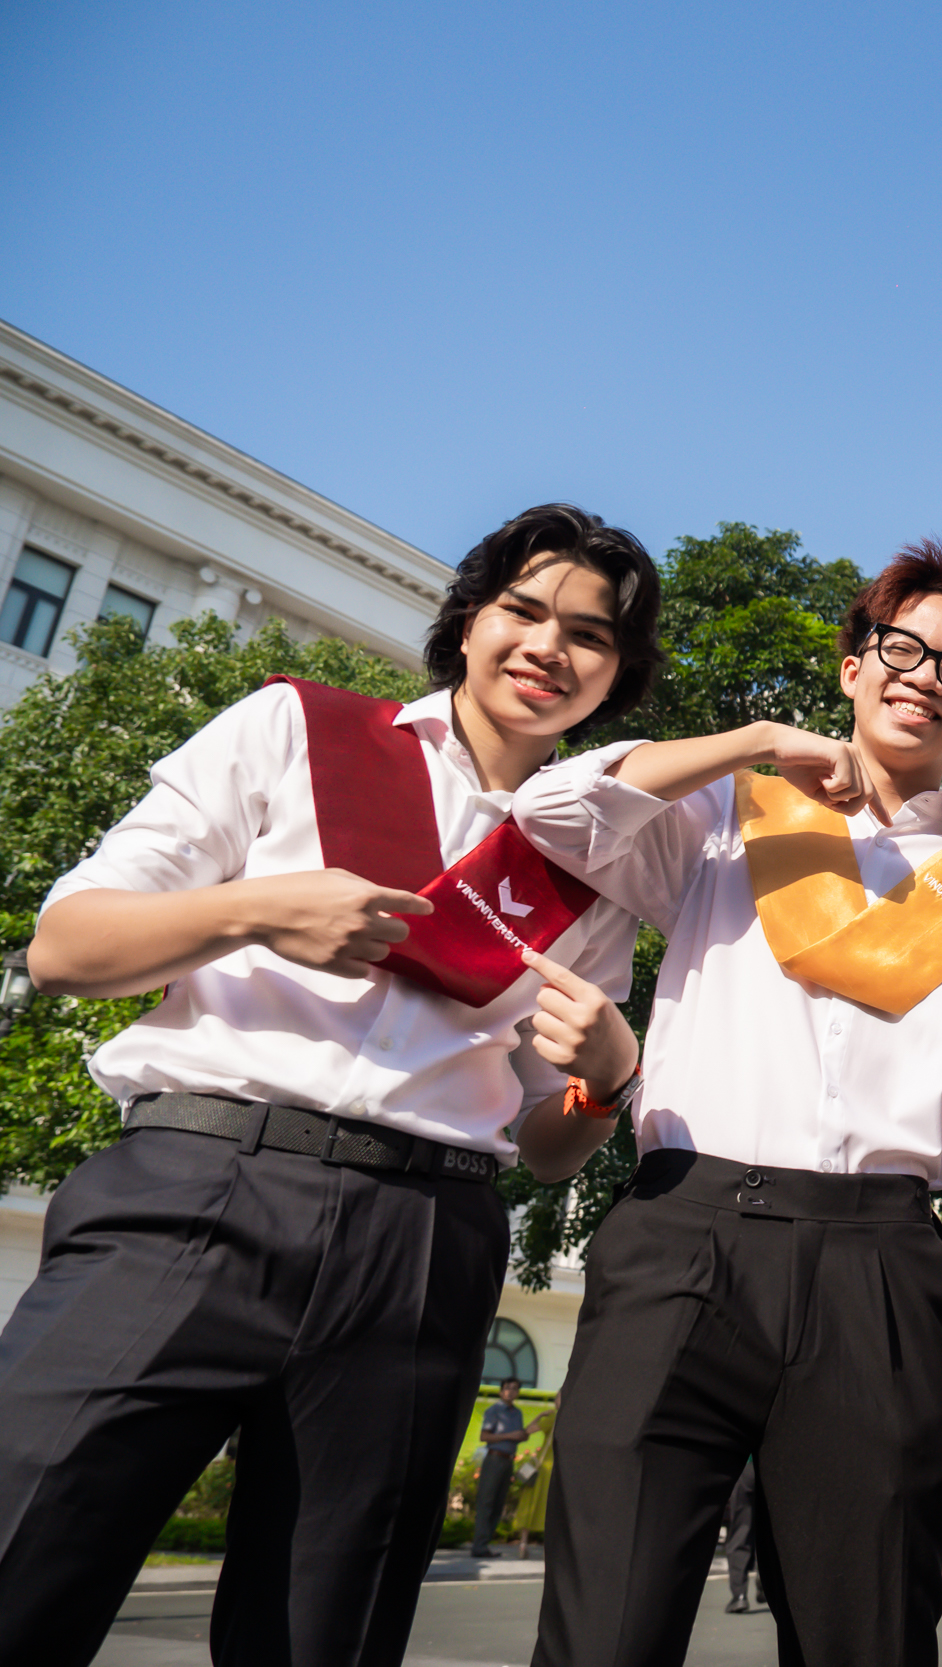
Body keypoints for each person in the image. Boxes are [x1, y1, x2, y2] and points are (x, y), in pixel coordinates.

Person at [0, 504, 657, 1667]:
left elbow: (540, 1142)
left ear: (614, 679)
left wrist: (607, 1082)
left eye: (590, 635)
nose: (549, 646)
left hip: (422, 1241)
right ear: (468, 622)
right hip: (197, 1187)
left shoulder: (588, 880)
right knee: (25, 1541)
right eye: (522, 610)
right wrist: (255, 907)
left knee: (325, 1635)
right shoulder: (295, 728)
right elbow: (65, 948)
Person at [511, 536, 942, 1667]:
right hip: (683, 1237)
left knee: (869, 1627)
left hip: (875, 1265)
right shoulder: (727, 818)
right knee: (606, 1614)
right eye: (902, 647)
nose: (925, 676)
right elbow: (553, 811)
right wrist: (751, 739)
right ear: (851, 666)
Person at [471, 1378, 531, 1558]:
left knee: (498, 1505)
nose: (511, 1392)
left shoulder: (517, 1413)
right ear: (501, 1391)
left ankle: (485, 1545)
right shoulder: (494, 1411)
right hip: (494, 1460)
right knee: (486, 1502)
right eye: (507, 1388)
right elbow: (484, 1436)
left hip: (508, 1461)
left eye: (515, 1389)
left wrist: (521, 1436)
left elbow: (517, 1436)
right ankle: (479, 1546)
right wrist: (511, 1435)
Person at [511, 1393, 560, 1561]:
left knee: (531, 1502)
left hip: (544, 1468)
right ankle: (552, 1548)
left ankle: (523, 1543)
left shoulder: (553, 1417)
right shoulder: (575, 1418)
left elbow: (527, 1431)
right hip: (560, 1469)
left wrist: (539, 1415)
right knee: (553, 1507)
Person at [721, 1460, 763, 1615]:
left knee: (741, 1529)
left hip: (745, 1463)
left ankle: (739, 1595)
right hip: (771, 1461)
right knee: (770, 1527)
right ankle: (766, 1579)